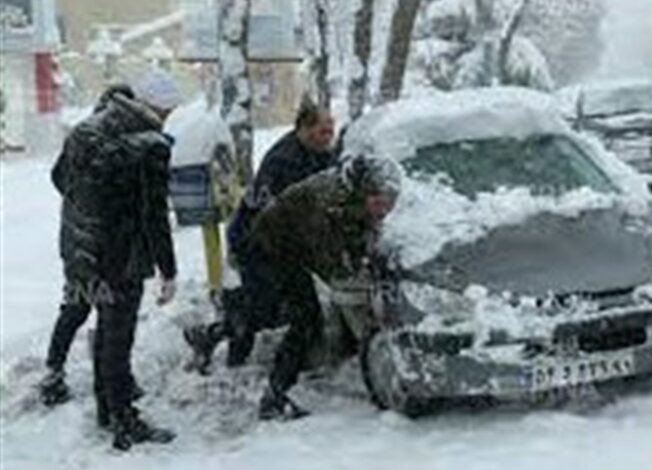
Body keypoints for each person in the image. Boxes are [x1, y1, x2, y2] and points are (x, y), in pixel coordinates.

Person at [190, 156, 401, 419]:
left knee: (271, 313)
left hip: (292, 249)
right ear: (362, 192)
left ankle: (211, 332)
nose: (385, 208)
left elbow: (362, 237)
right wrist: (362, 280)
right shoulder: (324, 207)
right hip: (267, 249)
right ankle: (275, 396)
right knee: (305, 318)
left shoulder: (354, 197)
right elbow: (332, 267)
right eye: (380, 200)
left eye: (390, 200)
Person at [39, 69, 181, 451]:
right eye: (168, 110)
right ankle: (122, 419)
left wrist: (89, 211)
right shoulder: (150, 144)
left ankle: (105, 406)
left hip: (80, 247)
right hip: (121, 257)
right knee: (116, 337)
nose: (168, 118)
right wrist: (168, 269)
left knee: (90, 319)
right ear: (159, 108)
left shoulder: (87, 130)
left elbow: (59, 177)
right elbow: (154, 215)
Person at [184, 99, 337, 370]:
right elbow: (265, 215)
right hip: (256, 242)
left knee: (279, 309)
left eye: (331, 130)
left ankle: (214, 333)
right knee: (276, 309)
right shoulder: (282, 161)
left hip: (284, 244)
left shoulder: (321, 154)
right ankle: (277, 379)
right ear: (304, 128)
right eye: (324, 131)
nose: (330, 137)